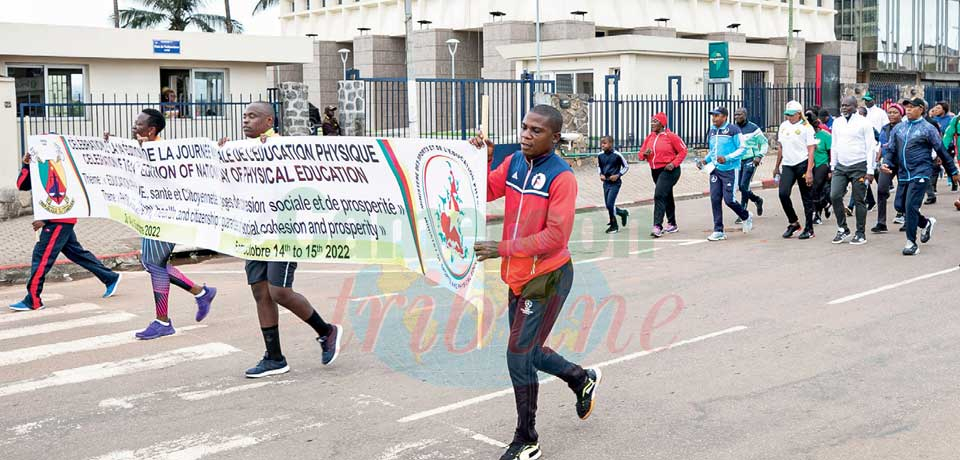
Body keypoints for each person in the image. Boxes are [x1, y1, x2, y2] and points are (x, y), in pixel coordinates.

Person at [470, 105, 601, 460]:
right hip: (518, 275)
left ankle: (527, 439)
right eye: (524, 127)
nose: (526, 135)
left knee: (518, 355)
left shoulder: (562, 178)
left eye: (536, 131)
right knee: (529, 352)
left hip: (547, 276)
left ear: (554, 138)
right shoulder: (515, 163)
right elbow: (483, 190)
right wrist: (481, 158)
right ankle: (580, 377)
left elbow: (556, 237)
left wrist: (502, 247)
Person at [220, 102, 342, 377]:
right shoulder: (242, 151)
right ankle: (274, 357)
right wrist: (221, 154)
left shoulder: (282, 147)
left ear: (268, 121)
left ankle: (326, 331)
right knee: (260, 292)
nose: (246, 121)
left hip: (284, 232)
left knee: (280, 291)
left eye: (253, 116)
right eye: (244, 116)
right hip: (255, 231)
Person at [104, 109, 218, 339]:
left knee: (154, 264)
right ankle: (201, 293)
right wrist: (110, 144)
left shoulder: (166, 153)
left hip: (167, 217)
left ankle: (163, 321)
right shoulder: (140, 149)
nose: (134, 127)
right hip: (150, 217)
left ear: (151, 130)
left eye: (138, 124)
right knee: (151, 263)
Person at [10, 152, 122, 311]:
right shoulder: (40, 164)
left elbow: (65, 197)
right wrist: (26, 164)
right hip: (59, 221)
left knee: (41, 257)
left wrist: (46, 219)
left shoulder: (64, 166)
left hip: (58, 221)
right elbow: (22, 185)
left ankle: (33, 300)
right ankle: (110, 277)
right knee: (76, 253)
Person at [881, 97, 960, 255]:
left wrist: (953, 171)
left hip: (921, 171)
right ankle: (925, 223)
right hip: (904, 173)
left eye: (912, 107)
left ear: (921, 109)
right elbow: (890, 149)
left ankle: (911, 242)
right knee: (900, 206)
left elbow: (941, 151)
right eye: (907, 108)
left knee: (911, 206)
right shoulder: (899, 128)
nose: (908, 110)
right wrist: (886, 163)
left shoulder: (928, 128)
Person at [698, 106, 752, 241]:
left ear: (724, 117)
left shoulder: (733, 130)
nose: (714, 118)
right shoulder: (711, 130)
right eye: (713, 115)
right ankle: (718, 230)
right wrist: (705, 160)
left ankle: (745, 215)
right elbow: (713, 150)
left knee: (729, 200)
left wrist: (727, 158)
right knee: (715, 198)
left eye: (717, 116)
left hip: (730, 169)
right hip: (715, 169)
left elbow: (743, 148)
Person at [829, 96, 877, 245]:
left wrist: (870, 170)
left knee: (859, 200)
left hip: (859, 166)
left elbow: (871, 147)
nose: (844, 108)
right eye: (842, 105)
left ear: (855, 106)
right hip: (841, 166)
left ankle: (860, 233)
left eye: (847, 105)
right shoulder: (837, 122)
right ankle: (843, 229)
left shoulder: (864, 123)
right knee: (835, 195)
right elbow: (834, 144)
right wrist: (833, 165)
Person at [637, 112, 686, 237]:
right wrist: (645, 154)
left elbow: (683, 151)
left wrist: (673, 163)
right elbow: (640, 154)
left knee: (659, 195)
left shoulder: (671, 136)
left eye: (655, 121)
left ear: (662, 123)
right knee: (666, 195)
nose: (652, 123)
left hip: (669, 170)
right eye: (652, 121)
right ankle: (672, 224)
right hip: (655, 171)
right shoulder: (650, 137)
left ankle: (657, 226)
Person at [773, 101, 817, 239]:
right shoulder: (783, 126)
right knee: (783, 193)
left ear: (799, 114)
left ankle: (809, 228)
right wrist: (776, 166)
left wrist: (809, 170)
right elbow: (781, 147)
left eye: (792, 115)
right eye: (787, 115)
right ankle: (793, 222)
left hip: (802, 164)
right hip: (788, 164)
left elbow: (811, 150)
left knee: (806, 197)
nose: (789, 117)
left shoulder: (806, 127)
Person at [872, 103, 904, 233]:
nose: (891, 115)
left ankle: (907, 218)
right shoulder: (885, 128)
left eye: (895, 112)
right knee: (881, 189)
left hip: (903, 163)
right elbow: (882, 145)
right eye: (889, 112)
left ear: (901, 114)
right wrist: (878, 157)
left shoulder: (906, 127)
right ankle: (881, 222)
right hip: (888, 163)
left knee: (904, 192)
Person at [733, 107, 767, 220]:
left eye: (740, 115)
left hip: (751, 159)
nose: (737, 117)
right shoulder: (733, 128)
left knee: (744, 185)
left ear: (745, 115)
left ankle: (743, 212)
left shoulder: (753, 128)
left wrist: (759, 156)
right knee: (740, 186)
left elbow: (764, 143)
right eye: (735, 115)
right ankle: (757, 200)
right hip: (738, 161)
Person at [597, 136, 630, 234]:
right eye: (601, 143)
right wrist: (600, 174)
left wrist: (618, 175)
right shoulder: (600, 155)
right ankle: (623, 213)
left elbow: (626, 166)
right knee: (608, 205)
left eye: (605, 143)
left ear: (611, 144)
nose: (602, 145)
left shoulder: (617, 155)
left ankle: (614, 225)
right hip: (606, 183)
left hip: (615, 183)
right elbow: (599, 166)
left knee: (610, 204)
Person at [807, 111, 832, 225]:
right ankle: (824, 205)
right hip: (810, 164)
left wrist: (831, 169)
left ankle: (817, 214)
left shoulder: (825, 135)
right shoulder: (806, 135)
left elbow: (831, 152)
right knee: (812, 190)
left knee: (816, 188)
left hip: (822, 164)